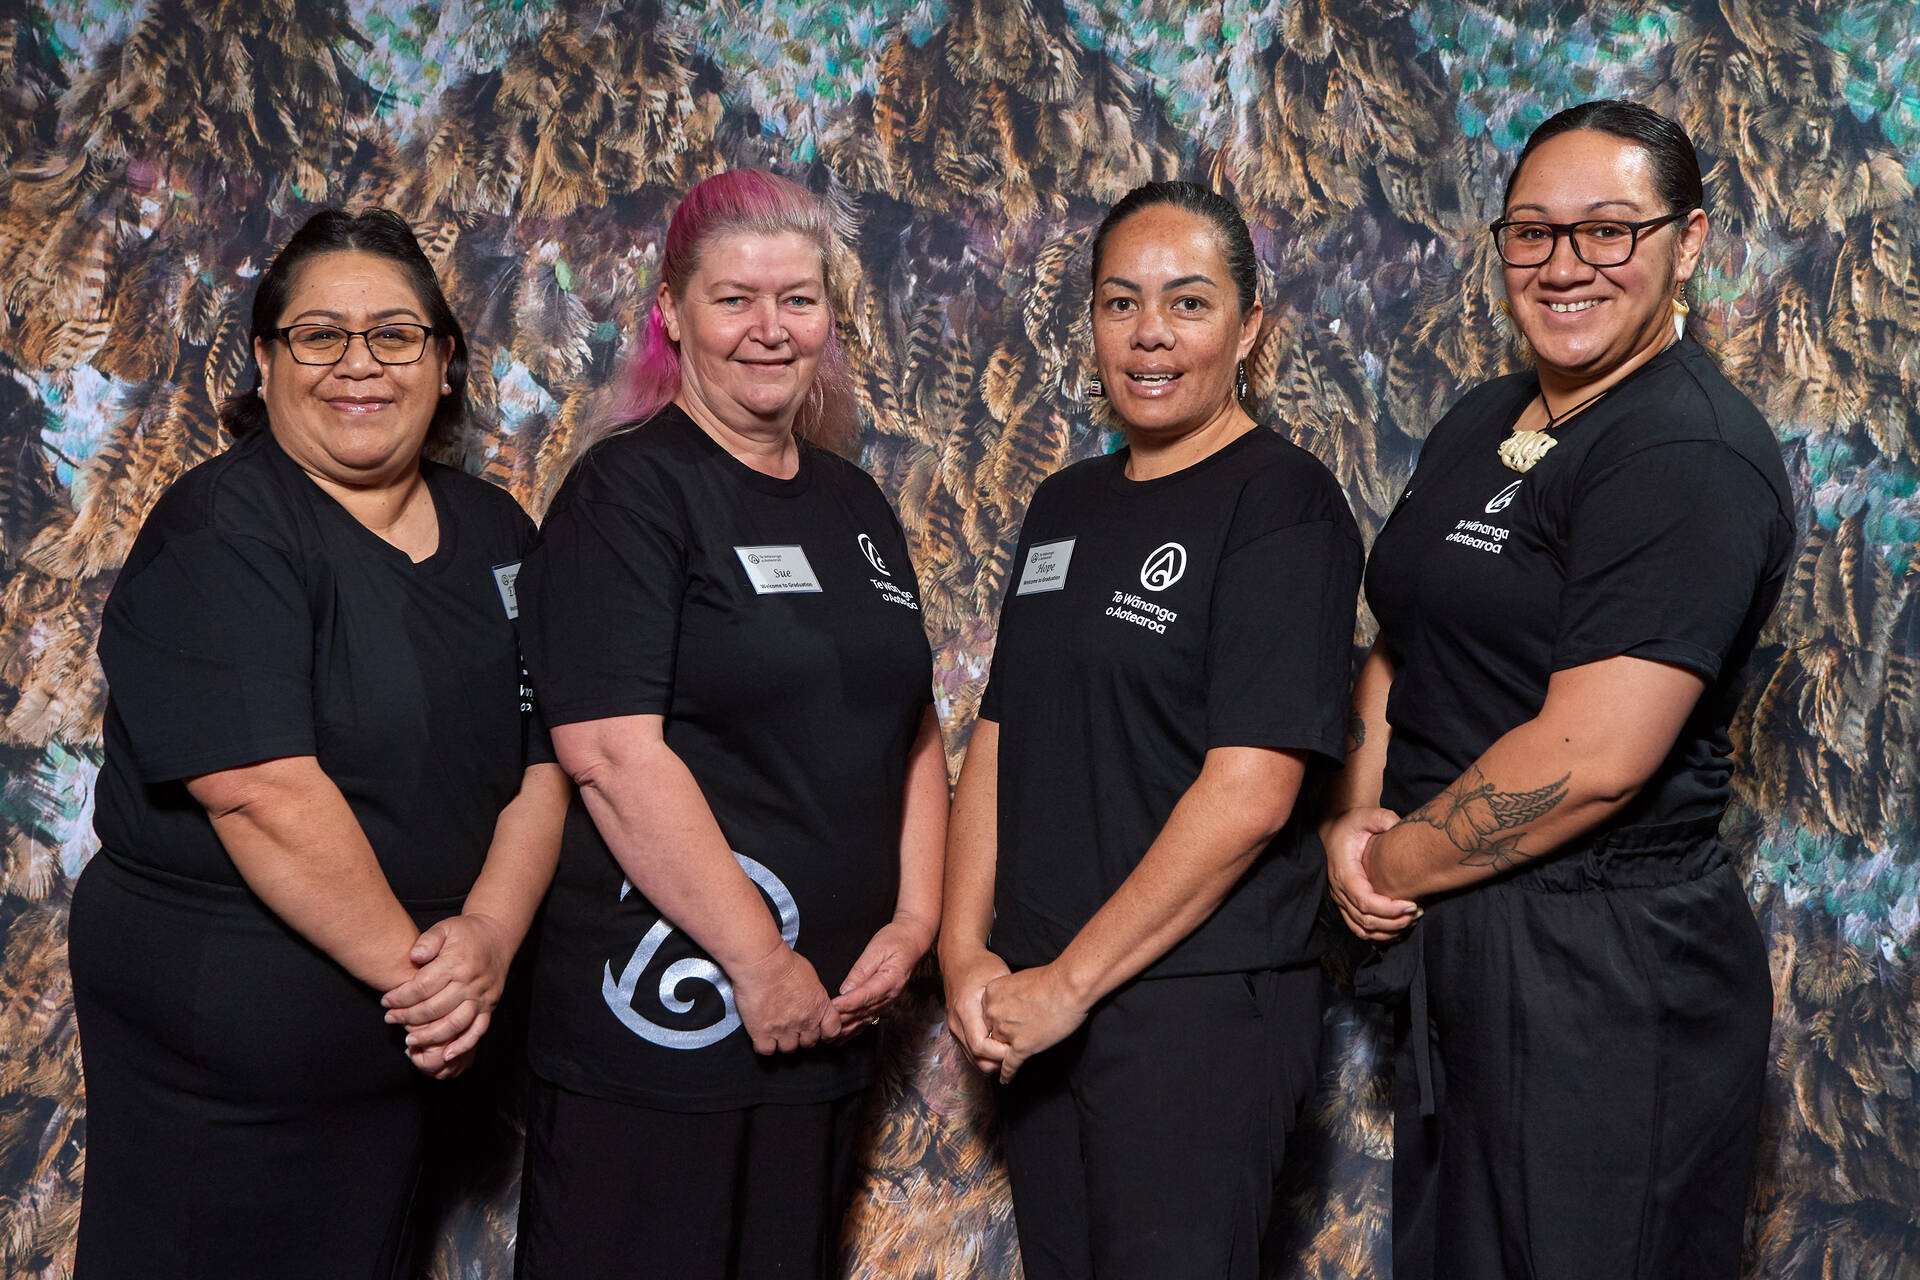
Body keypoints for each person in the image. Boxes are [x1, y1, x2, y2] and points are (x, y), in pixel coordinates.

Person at [1322, 100, 1794, 1278]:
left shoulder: (1685, 450)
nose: (1564, 263)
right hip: (1465, 934)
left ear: (1688, 243)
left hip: (1604, 968)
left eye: (1608, 230)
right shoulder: (1484, 418)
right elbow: (1405, 638)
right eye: (1533, 231)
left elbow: (1595, 760)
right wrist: (1355, 816)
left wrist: (1389, 864)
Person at [67, 209, 570, 1279]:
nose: (359, 364)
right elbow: (258, 790)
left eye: (394, 335)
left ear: (445, 360)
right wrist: (425, 989)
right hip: (228, 1038)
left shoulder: (500, 534)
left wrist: (486, 937)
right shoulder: (223, 526)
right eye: (319, 335)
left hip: (410, 1036)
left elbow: (546, 757)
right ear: (265, 360)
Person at [512, 168, 947, 1280]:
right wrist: (758, 958)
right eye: (735, 298)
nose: (771, 328)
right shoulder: (628, 495)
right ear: (670, 313)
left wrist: (914, 919)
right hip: (668, 1024)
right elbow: (609, 754)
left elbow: (909, 726)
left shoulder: (855, 504)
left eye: (798, 299)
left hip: (824, 1022)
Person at [940, 181, 1364, 1280]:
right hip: (1034, 1000)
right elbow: (1001, 730)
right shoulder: (1065, 503)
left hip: (1191, 1007)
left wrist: (1071, 984)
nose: (1150, 335)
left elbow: (1254, 791)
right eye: (1121, 302)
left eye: (1188, 302)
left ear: (1249, 325)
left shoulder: (1284, 504)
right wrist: (964, 948)